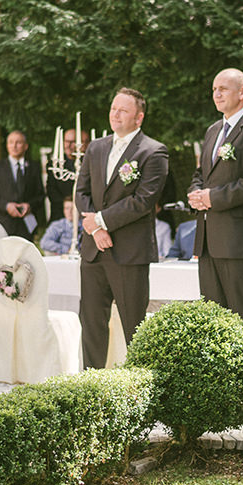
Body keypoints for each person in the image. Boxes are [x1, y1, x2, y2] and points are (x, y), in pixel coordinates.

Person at [76, 88, 169, 368]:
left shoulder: (154, 151)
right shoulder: (96, 147)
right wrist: (95, 229)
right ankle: (91, 383)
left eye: (123, 110)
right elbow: (81, 192)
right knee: (91, 321)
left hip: (129, 252)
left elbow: (143, 201)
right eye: (113, 108)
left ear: (138, 118)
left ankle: (138, 386)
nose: (115, 114)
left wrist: (101, 221)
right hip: (94, 249)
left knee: (134, 325)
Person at [187, 68, 243, 344]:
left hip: (240, 240)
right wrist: (195, 194)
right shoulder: (213, 130)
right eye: (214, 89)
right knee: (213, 323)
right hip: (208, 241)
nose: (216, 94)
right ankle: (221, 388)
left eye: (223, 89)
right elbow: (201, 174)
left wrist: (214, 198)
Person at [0, 130, 45, 239]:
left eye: (18, 142)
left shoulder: (34, 167)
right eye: (11, 142)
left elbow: (40, 195)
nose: (14, 146)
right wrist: (7, 206)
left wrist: (29, 206)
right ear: (7, 145)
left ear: (25, 146)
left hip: (26, 225)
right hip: (4, 224)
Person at [46, 128, 89, 224]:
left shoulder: (85, 163)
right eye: (66, 141)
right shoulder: (54, 164)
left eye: (72, 142)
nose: (68, 145)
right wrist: (67, 206)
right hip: (59, 213)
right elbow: (51, 190)